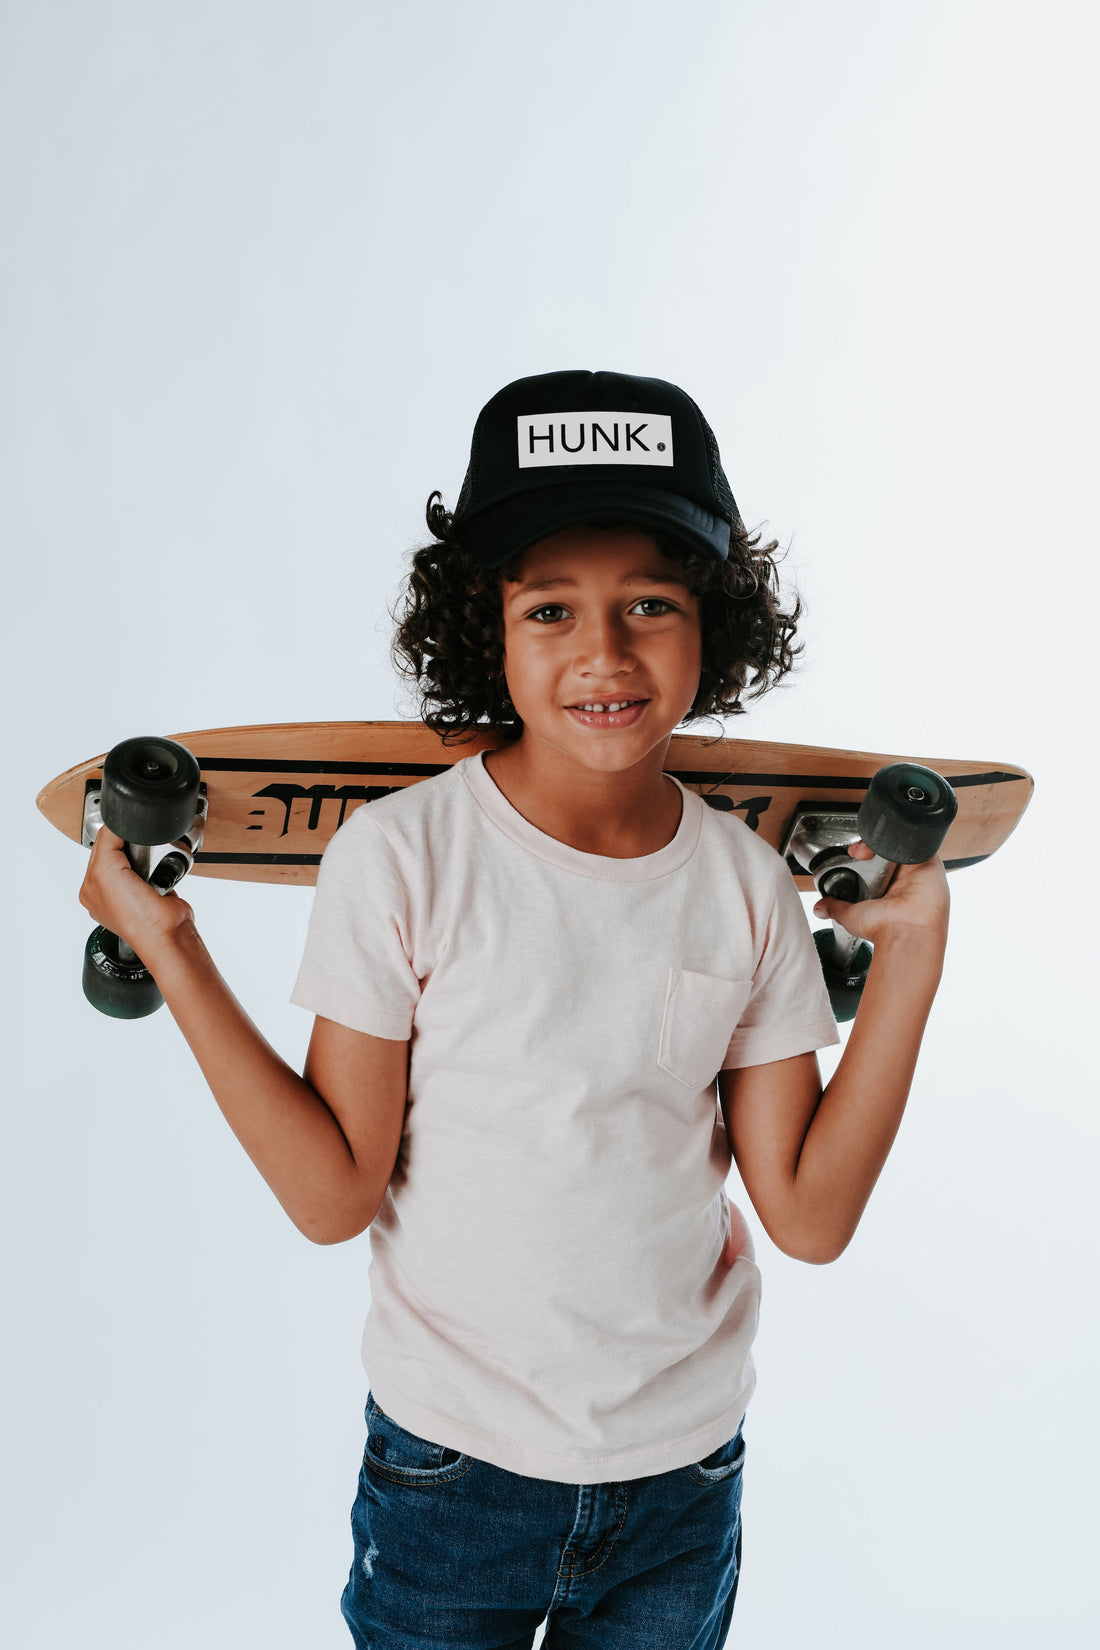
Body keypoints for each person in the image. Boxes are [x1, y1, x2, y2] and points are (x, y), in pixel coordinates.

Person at [79, 369, 950, 1647]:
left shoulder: (745, 887)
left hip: (682, 1472)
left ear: (712, 624)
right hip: (452, 1470)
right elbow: (332, 1196)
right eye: (550, 608)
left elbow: (808, 1220)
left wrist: (911, 968)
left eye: (650, 603)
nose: (605, 652)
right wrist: (170, 945)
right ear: (484, 629)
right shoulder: (402, 859)